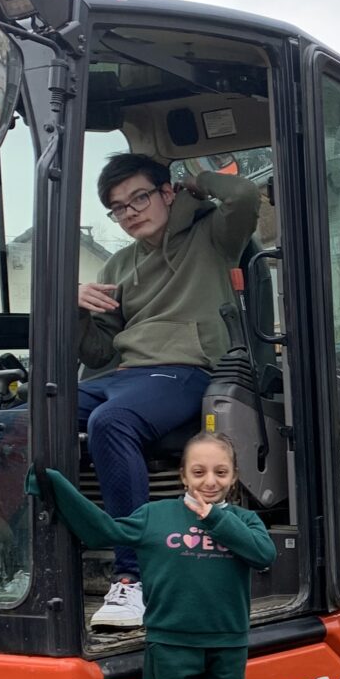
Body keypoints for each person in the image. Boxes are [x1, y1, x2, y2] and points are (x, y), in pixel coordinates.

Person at [31, 431, 276, 679]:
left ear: (233, 478)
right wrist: (56, 486)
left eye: (220, 472)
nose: (209, 481)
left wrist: (214, 518)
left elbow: (263, 555)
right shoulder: (154, 516)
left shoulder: (244, 520)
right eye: (198, 471)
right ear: (183, 475)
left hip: (227, 641)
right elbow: (99, 531)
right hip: (171, 641)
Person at [79, 153, 262, 629]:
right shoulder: (119, 264)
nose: (130, 212)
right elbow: (99, 353)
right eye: (118, 208)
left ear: (166, 193)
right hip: (125, 375)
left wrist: (196, 183)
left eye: (139, 197)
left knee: (111, 421)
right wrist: (75, 310)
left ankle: (134, 578)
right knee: (23, 414)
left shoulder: (213, 235)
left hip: (187, 369)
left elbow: (243, 195)